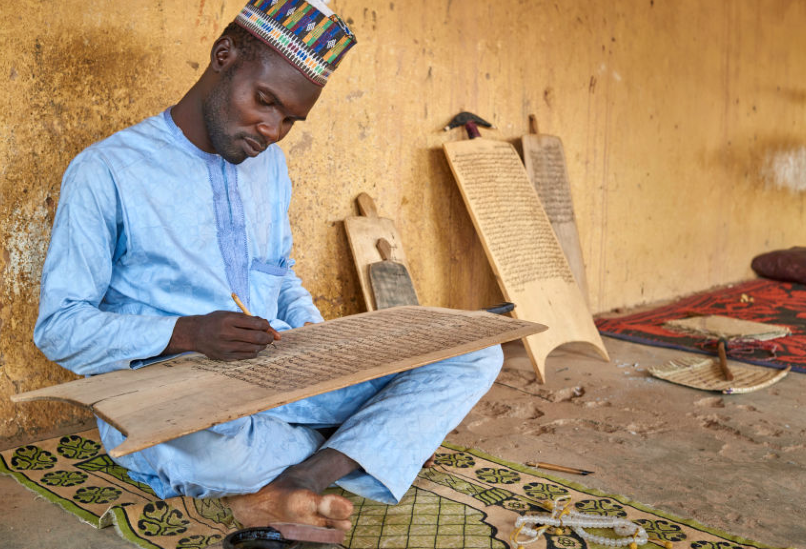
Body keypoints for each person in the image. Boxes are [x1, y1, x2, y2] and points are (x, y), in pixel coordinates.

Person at [33, 0, 503, 532]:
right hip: (178, 398)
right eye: (265, 102)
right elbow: (60, 329)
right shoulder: (106, 170)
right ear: (224, 55)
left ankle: (307, 474)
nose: (273, 129)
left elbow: (277, 272)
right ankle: (365, 446)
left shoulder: (269, 165)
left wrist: (319, 340)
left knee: (476, 352)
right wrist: (187, 333)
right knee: (209, 450)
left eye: (290, 120)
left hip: (281, 376)